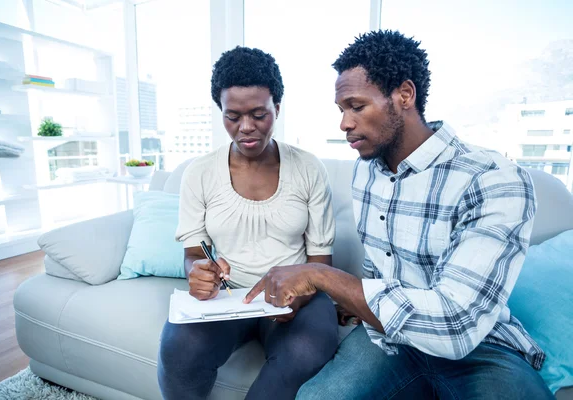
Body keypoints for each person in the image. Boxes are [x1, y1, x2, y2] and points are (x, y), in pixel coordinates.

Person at [244, 31, 554, 399]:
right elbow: (380, 268)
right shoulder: (367, 170)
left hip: (480, 349)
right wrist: (353, 302)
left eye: (356, 107)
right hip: (388, 339)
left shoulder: (492, 178)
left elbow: (456, 325)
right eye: (341, 110)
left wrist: (322, 275)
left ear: (405, 95)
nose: (344, 123)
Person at [157, 46, 338, 400]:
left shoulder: (308, 168)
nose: (246, 128)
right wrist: (199, 271)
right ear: (221, 113)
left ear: (277, 109)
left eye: (259, 114)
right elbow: (194, 252)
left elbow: (320, 263)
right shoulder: (199, 173)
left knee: (306, 350)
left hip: (296, 295)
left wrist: (297, 297)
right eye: (233, 116)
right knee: (179, 349)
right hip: (229, 296)